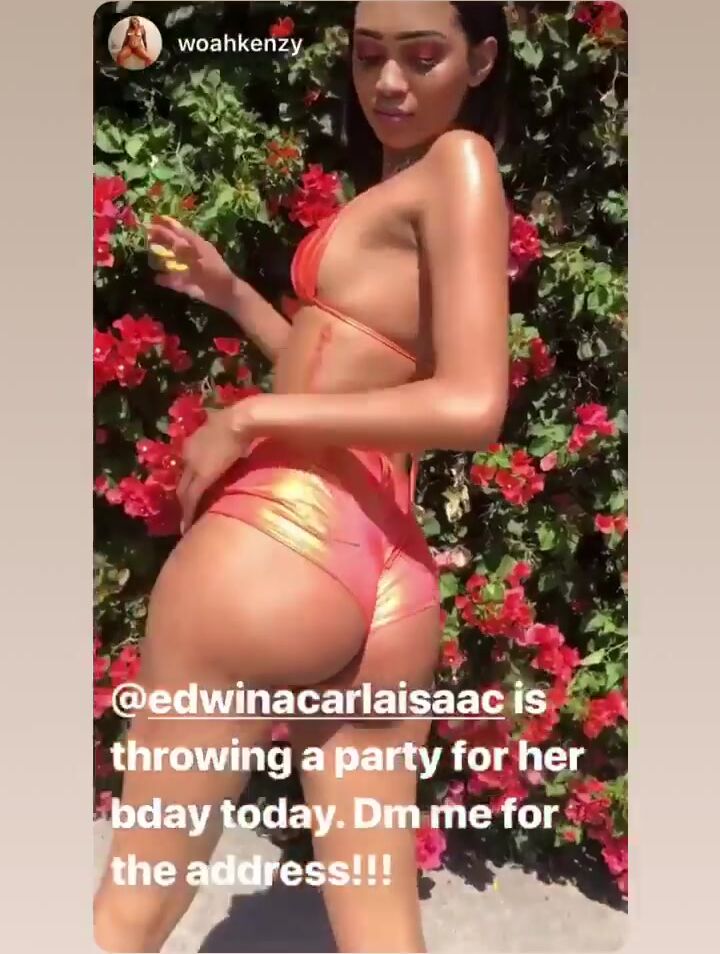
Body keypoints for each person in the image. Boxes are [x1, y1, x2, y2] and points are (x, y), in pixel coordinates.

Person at [93, 2, 511, 951]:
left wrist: (251, 417)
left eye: (422, 56)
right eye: (368, 57)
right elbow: (348, 378)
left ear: (483, 59)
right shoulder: (411, 183)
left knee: (129, 911)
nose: (388, 84)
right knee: (381, 932)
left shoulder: (458, 162)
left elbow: (472, 405)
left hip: (281, 537)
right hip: (385, 572)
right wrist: (233, 293)